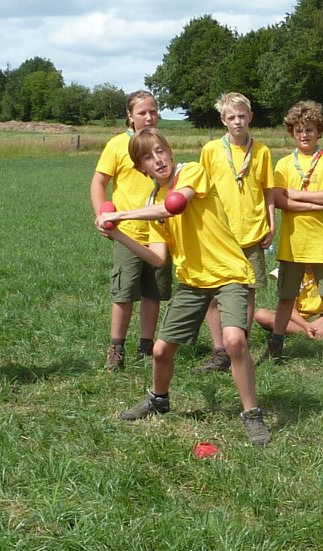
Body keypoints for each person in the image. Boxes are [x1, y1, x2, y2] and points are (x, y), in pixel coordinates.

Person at [99, 128, 271, 447]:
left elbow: (175, 206)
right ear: (141, 168)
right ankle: (158, 399)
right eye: (148, 157)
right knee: (162, 350)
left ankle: (252, 415)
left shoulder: (189, 171)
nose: (158, 159)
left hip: (228, 271)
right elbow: (156, 257)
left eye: (161, 151)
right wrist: (119, 235)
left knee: (234, 340)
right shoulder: (153, 201)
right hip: (192, 281)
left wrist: (121, 214)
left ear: (170, 152)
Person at [194, 92, 276, 371]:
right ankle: (220, 350)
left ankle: (240, 345)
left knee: (248, 292)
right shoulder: (211, 150)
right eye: (232, 117)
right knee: (214, 292)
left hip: (252, 231)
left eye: (242, 116)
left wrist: (271, 222)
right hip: (219, 234)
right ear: (223, 120)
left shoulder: (262, 151)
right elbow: (200, 190)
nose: (238, 121)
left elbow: (268, 192)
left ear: (250, 117)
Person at [90, 90, 171, 370]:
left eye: (153, 111)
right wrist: (102, 215)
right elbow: (99, 182)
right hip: (128, 233)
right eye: (142, 113)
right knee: (124, 293)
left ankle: (146, 346)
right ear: (129, 116)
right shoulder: (116, 145)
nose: (148, 117)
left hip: (160, 231)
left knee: (153, 292)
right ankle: (116, 348)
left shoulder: (160, 143)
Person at [265, 99, 323, 364]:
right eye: (299, 129)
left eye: (310, 129)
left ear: (319, 131)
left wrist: (297, 196)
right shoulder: (283, 165)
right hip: (293, 243)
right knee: (285, 296)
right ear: (292, 132)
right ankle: (275, 346)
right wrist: (315, 202)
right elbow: (278, 199)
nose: (304, 134)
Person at [256, 268, 323, 341]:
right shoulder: (294, 276)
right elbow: (291, 310)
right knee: (262, 315)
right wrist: (305, 325)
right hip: (297, 319)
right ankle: (312, 332)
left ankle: (313, 330)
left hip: (322, 317)